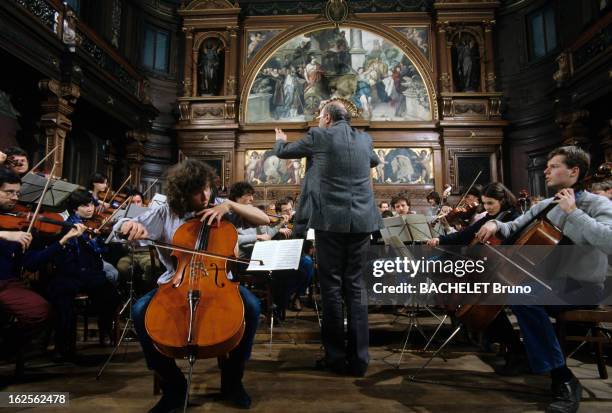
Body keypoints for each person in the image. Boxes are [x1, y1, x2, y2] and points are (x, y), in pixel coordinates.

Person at [114, 159, 269, 412]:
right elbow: (123, 226)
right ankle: (173, 385)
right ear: (182, 193)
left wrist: (229, 204)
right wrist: (128, 225)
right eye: (198, 191)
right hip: (176, 281)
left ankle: (232, 380)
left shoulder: (220, 205)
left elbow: (264, 219)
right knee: (140, 311)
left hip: (218, 282)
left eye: (208, 188)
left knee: (251, 308)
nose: (206, 195)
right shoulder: (165, 211)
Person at [475, 146, 612, 413]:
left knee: (522, 295)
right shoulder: (546, 206)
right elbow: (514, 227)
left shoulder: (599, 204)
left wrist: (574, 213)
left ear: (574, 171)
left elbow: (609, 242)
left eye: (554, 166)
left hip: (585, 286)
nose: (546, 170)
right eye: (547, 165)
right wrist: (495, 224)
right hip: (553, 284)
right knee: (515, 293)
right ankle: (550, 368)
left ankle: (563, 380)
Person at [273, 99, 382, 377]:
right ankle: (359, 360)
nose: (320, 120)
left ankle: (335, 358)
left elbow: (285, 152)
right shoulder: (365, 138)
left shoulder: (319, 135)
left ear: (327, 118)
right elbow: (373, 161)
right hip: (361, 222)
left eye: (321, 116)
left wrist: (280, 140)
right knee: (356, 288)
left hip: (330, 222)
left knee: (332, 288)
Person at [45, 190, 121, 356]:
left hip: (90, 274)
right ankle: (63, 346)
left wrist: (99, 237)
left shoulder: (93, 225)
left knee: (112, 295)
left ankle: (104, 327)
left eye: (92, 204)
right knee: (64, 301)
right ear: (74, 209)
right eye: (84, 205)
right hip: (69, 273)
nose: (90, 208)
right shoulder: (67, 226)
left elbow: (101, 249)